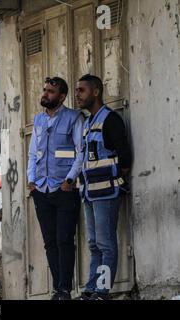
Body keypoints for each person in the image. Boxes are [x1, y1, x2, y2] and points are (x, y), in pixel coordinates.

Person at [75, 74, 132, 300]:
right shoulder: (88, 122)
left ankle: (102, 291)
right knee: (94, 244)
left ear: (96, 92)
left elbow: (124, 157)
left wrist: (115, 178)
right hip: (89, 193)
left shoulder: (110, 119)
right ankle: (91, 290)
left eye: (82, 90)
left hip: (107, 192)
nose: (78, 95)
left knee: (106, 243)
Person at [27, 77, 84, 300]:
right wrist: (31, 179)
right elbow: (33, 153)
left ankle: (65, 289)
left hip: (64, 189)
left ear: (61, 97)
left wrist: (69, 180)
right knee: (50, 242)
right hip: (41, 189)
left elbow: (80, 152)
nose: (45, 94)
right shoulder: (39, 120)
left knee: (64, 239)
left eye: (50, 92)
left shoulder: (73, 118)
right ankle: (57, 290)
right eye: (44, 90)